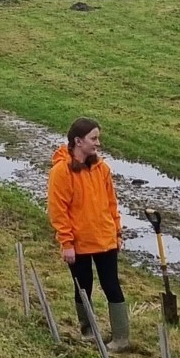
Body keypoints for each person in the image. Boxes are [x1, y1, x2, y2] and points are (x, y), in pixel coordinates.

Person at [47, 118, 129, 346]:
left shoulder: (102, 169)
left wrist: (117, 233)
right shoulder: (61, 172)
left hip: (105, 240)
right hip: (78, 244)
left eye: (98, 138)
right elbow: (58, 211)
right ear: (77, 141)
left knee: (111, 285)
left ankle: (121, 338)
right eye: (93, 139)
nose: (98, 143)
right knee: (83, 287)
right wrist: (67, 243)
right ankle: (88, 333)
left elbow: (112, 203)